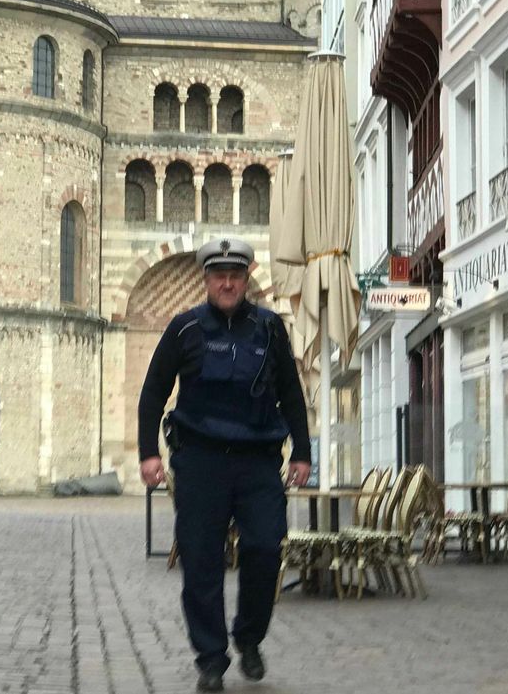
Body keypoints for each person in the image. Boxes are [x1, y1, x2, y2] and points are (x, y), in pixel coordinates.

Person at [138, 237, 311, 693]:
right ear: (207, 279)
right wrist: (148, 453)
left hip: (257, 463)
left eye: (236, 275)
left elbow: (292, 395)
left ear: (246, 278)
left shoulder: (271, 329)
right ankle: (211, 659)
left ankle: (249, 638)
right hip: (200, 463)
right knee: (201, 563)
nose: (228, 283)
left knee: (265, 549)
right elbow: (154, 391)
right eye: (220, 276)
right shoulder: (184, 329)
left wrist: (303, 452)